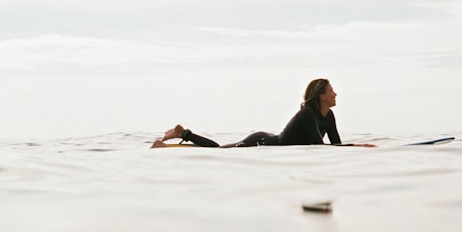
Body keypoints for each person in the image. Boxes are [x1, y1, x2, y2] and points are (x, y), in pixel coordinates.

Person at [151, 78, 374, 148]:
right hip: (261, 143)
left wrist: (353, 149)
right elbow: (318, 147)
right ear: (322, 95)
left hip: (270, 142)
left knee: (220, 152)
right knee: (219, 153)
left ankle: (183, 134)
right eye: (332, 91)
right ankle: (184, 133)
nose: (336, 94)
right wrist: (357, 147)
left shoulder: (329, 116)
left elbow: (335, 145)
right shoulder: (307, 114)